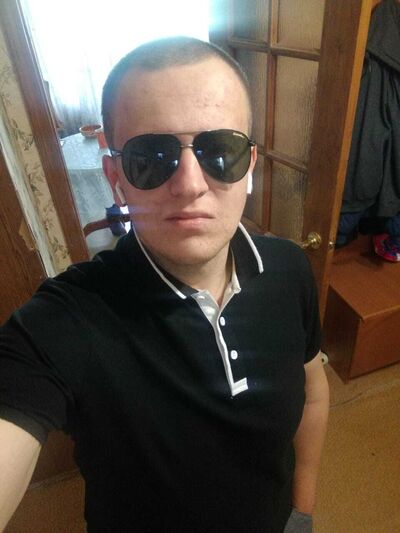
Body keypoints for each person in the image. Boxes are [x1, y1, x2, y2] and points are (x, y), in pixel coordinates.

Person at [0, 37, 329, 532]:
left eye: (220, 150)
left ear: (250, 167)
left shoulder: (289, 269)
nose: (190, 184)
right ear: (116, 176)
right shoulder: (66, 321)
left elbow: (314, 391)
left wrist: (301, 510)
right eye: (151, 156)